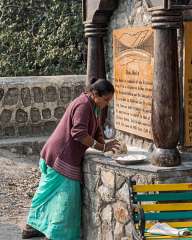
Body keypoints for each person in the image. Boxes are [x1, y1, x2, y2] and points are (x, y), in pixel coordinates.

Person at [22, 78, 119, 240]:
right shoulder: (83, 105)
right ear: (95, 94)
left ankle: (34, 226)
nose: (107, 103)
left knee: (47, 194)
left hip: (59, 155)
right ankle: (53, 234)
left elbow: (96, 130)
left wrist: (106, 146)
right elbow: (79, 133)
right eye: (106, 99)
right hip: (60, 156)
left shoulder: (94, 106)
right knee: (66, 201)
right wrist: (102, 148)